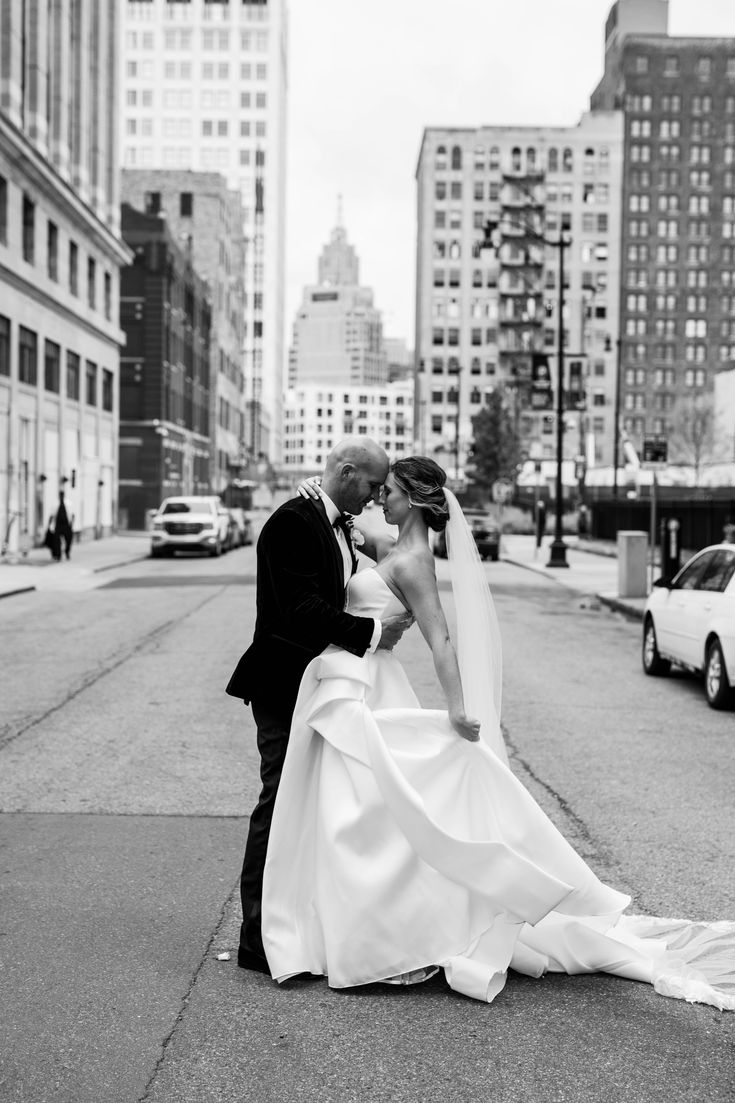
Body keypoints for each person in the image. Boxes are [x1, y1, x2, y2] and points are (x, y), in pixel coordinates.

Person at [259, 455, 735, 1008]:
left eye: (385, 492)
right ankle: (357, 923)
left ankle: (388, 932)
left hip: (370, 685)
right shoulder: (392, 549)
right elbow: (345, 531)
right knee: (365, 813)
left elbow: (441, 640)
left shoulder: (413, 562)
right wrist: (317, 495)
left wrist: (458, 710)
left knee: (374, 813)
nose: (376, 500)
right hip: (359, 676)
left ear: (410, 500)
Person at [225, 438, 413, 974]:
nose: (377, 497)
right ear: (347, 473)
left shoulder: (335, 520)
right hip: (285, 684)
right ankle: (257, 937)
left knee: (310, 806)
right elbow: (302, 607)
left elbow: (360, 569)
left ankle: (302, 922)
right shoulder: (292, 521)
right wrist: (373, 631)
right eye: (373, 486)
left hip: (323, 683)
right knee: (278, 800)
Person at [54, 491, 74, 560]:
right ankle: (59, 555)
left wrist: (71, 525)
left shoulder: (69, 503)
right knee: (57, 541)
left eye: (62, 495)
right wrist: (50, 526)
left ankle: (67, 552)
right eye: (60, 495)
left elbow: (73, 515)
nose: (61, 497)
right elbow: (52, 515)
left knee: (68, 540)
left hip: (66, 525)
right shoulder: (55, 504)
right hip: (58, 525)